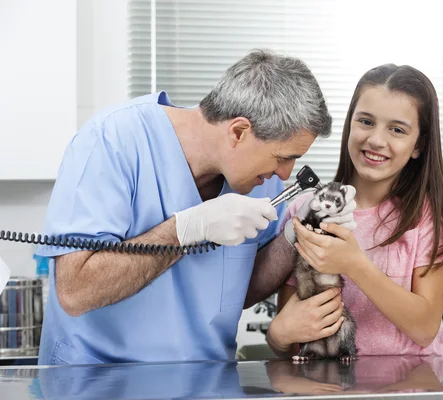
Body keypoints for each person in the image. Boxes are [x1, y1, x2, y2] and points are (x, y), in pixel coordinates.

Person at [34, 49, 357, 365]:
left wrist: (295, 233)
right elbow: (76, 292)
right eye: (283, 157)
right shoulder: (113, 140)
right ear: (239, 131)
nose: (285, 173)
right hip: (100, 380)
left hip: (205, 378)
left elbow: (234, 293)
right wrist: (183, 230)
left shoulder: (259, 180)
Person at [265, 63, 443, 358]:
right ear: (349, 125)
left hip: (407, 387)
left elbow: (424, 328)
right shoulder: (305, 211)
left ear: (418, 144)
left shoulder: (430, 208)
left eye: (396, 129)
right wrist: (278, 337)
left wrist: (354, 263)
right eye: (366, 122)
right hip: (325, 386)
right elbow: (295, 341)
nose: (376, 140)